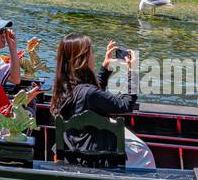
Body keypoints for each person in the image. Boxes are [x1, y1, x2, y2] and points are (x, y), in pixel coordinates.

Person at [50, 33, 137, 161]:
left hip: (75, 149)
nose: (93, 56)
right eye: (91, 52)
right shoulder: (88, 93)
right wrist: (132, 72)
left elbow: (91, 96)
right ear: (82, 59)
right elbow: (126, 105)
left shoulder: (63, 86)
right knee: (146, 154)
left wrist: (105, 68)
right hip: (96, 156)